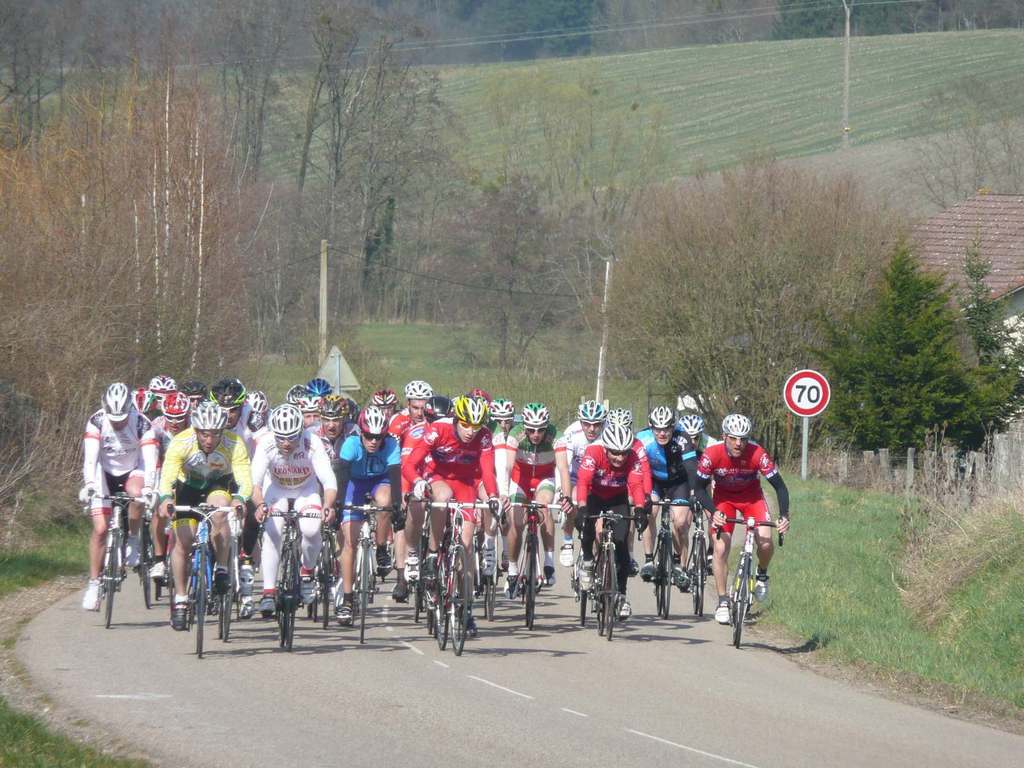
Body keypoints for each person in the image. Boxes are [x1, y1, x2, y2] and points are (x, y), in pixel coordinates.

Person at [403, 395, 507, 638]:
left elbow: (487, 471)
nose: (471, 431)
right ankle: (432, 554)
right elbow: (409, 463)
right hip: (438, 477)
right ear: (456, 420)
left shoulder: (484, 437)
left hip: (466, 483)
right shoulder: (438, 430)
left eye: (476, 426)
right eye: (466, 425)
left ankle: (466, 610)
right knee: (442, 496)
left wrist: (493, 496)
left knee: (467, 548)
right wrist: (417, 482)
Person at [158, 402, 251, 631]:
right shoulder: (181, 442)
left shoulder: (234, 443)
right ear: (196, 430)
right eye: (204, 434)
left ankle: (222, 567)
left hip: (218, 485)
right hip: (188, 487)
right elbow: (168, 475)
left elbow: (244, 478)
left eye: (216, 434)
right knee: (183, 541)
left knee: (220, 512)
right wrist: (165, 498)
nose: (210, 440)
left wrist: (240, 498)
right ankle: (181, 599)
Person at [696, 414, 790, 625]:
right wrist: (713, 511)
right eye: (733, 438)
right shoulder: (712, 454)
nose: (738, 443)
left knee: (765, 542)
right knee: (720, 548)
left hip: (752, 499)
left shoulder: (757, 453)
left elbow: (780, 487)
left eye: (743, 439)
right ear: (724, 436)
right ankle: (723, 601)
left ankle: (762, 574)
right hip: (724, 500)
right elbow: (698, 488)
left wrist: (784, 515)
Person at [251, 404, 338, 617]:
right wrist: (260, 505)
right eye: (281, 438)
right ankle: (268, 592)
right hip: (277, 490)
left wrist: (328, 505)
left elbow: (328, 480)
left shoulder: (312, 442)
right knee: (272, 533)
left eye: (292, 437)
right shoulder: (266, 444)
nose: (286, 443)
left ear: (301, 432)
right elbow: (255, 484)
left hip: (306, 491)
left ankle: (307, 571)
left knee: (311, 529)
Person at [79, 383, 159, 610]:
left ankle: (133, 538)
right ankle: (94, 584)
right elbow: (90, 459)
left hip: (133, 469)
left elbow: (150, 462)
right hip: (103, 472)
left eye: (122, 418)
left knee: (137, 493)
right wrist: (89, 485)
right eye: (113, 419)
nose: (118, 423)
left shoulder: (142, 423)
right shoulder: (96, 421)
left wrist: (150, 488)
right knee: (101, 529)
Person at [332, 406, 402, 625]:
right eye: (369, 436)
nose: (373, 441)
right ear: (361, 432)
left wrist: (397, 507)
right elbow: (341, 479)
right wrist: (338, 506)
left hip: (380, 481)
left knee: (385, 502)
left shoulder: (391, 445)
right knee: (350, 543)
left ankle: (381, 548)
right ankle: (347, 599)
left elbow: (396, 479)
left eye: (378, 437)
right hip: (353, 483)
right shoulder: (351, 444)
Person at [573, 421, 649, 621]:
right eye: (615, 453)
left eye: (624, 453)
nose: (620, 458)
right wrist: (581, 507)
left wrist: (640, 508)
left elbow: (636, 484)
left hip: (617, 499)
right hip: (594, 496)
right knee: (587, 527)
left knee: (621, 543)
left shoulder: (633, 458)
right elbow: (583, 481)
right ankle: (588, 560)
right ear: (606, 448)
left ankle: (621, 596)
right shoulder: (594, 452)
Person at [636, 406, 713, 590]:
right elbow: (636, 470)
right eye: (657, 429)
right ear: (651, 427)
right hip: (654, 481)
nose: (662, 433)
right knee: (650, 511)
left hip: (679, 483)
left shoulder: (682, 438)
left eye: (666, 429)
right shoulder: (642, 439)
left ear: (673, 427)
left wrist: (694, 493)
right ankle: (649, 560)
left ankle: (681, 566)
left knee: (680, 522)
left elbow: (691, 468)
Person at [500, 402, 569, 595]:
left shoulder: (556, 436)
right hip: (519, 479)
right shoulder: (515, 434)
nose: (536, 434)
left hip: (544, 478)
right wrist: (504, 493)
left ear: (547, 427)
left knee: (543, 506)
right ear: (524, 427)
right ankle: (513, 570)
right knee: (515, 523)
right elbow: (507, 467)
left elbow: (563, 468)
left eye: (540, 430)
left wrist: (566, 497)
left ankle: (548, 562)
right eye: (531, 430)